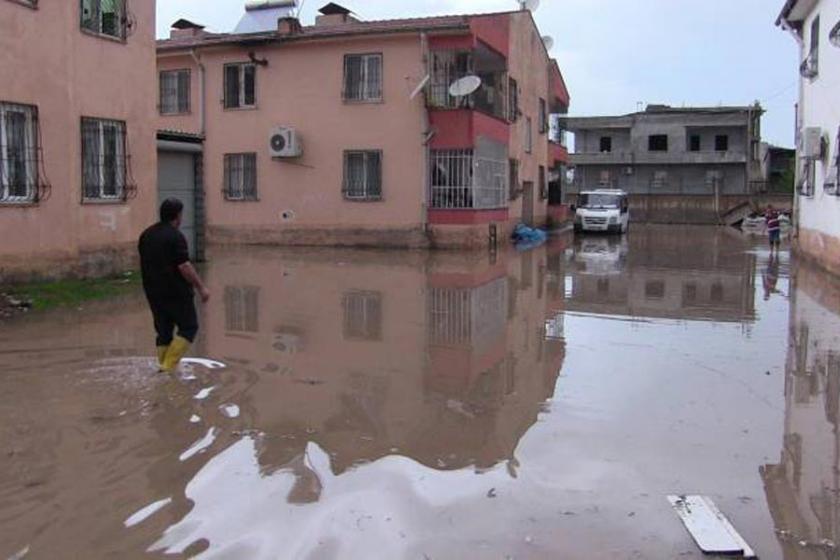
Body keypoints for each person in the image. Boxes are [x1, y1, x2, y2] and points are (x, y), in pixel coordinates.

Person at [138, 199, 210, 373]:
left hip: (152, 291)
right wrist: (201, 287)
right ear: (178, 216)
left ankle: (163, 368)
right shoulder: (175, 236)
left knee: (163, 331)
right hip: (176, 291)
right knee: (189, 327)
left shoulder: (146, 234)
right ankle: (167, 367)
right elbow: (184, 266)